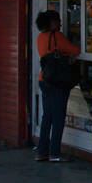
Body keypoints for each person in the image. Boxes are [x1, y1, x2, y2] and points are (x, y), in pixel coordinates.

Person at [35, 10, 80, 162]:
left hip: (44, 80)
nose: (60, 23)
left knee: (47, 117)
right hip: (58, 82)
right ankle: (55, 153)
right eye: (58, 21)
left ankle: (42, 152)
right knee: (58, 117)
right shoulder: (58, 37)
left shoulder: (40, 38)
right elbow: (76, 50)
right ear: (51, 23)